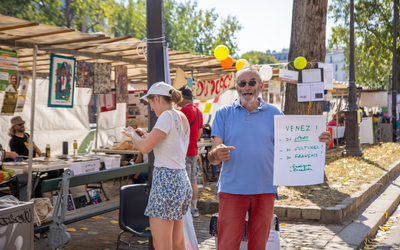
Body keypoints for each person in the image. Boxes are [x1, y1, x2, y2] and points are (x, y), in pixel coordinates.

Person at [208, 63, 331, 250]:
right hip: (232, 189)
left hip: (264, 189)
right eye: (242, 83)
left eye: (252, 82)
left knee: (259, 246)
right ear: (236, 87)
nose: (247, 87)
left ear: (261, 86)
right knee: (226, 245)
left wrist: (318, 141)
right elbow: (213, 156)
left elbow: (294, 143)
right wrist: (216, 153)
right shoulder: (223, 113)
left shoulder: (275, 113)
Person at [122, 81, 192, 250]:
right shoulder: (181, 115)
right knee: (178, 242)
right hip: (180, 180)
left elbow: (145, 148)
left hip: (166, 182)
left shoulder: (166, 116)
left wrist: (132, 135)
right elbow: (169, 143)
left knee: (162, 245)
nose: (151, 108)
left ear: (158, 98)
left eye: (151, 103)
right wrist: (147, 135)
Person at [178, 86, 203, 217]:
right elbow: (199, 131)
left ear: (182, 97)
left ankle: (186, 210)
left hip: (185, 152)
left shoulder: (183, 111)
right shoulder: (198, 111)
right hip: (193, 150)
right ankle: (194, 209)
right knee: (193, 181)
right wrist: (193, 141)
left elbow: (180, 131)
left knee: (185, 181)